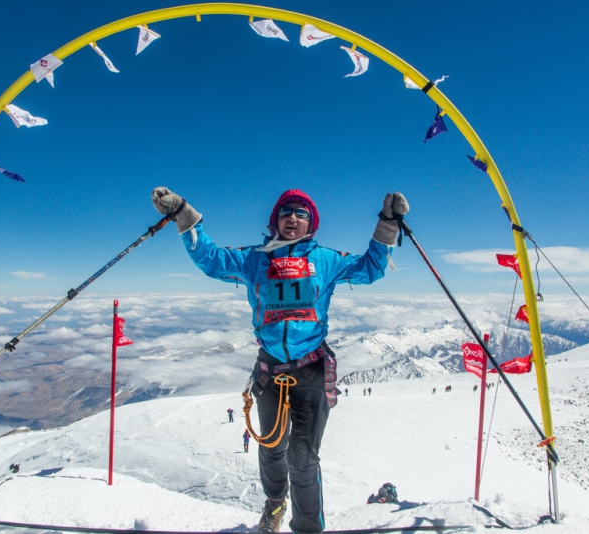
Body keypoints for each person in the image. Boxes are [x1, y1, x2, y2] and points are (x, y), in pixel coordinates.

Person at [151, 186, 408, 534]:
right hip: (271, 369)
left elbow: (370, 268)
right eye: (287, 211)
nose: (293, 218)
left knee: (302, 457)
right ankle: (275, 504)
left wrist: (387, 224)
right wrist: (184, 214)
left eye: (302, 213)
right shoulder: (255, 258)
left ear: (311, 224)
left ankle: (307, 527)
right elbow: (211, 259)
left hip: (311, 368)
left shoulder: (326, 260)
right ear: (275, 220)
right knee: (272, 446)